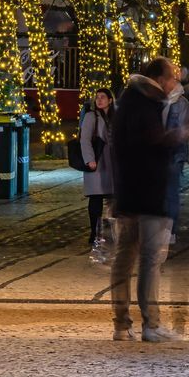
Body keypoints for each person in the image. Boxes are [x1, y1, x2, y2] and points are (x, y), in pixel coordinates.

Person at [110, 56, 180, 343]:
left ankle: (121, 324)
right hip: (148, 193)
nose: (176, 82)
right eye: (173, 76)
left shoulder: (129, 101)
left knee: (124, 259)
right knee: (150, 259)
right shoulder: (147, 104)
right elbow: (152, 143)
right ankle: (151, 324)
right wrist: (176, 136)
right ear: (160, 79)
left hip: (128, 193)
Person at [81, 87, 115, 261]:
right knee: (95, 198)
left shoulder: (116, 116)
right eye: (97, 97)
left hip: (113, 162)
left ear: (110, 100)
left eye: (103, 97)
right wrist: (89, 159)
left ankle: (110, 232)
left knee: (113, 199)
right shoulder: (91, 116)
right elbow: (85, 139)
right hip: (98, 161)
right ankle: (94, 232)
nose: (99, 100)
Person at [163, 71, 189, 245]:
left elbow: (184, 130)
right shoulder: (159, 101)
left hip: (175, 155)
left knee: (171, 193)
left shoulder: (182, 104)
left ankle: (170, 230)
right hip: (159, 154)